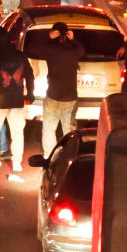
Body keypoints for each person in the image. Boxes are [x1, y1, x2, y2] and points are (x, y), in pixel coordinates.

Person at [0, 30, 34, 176]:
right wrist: (30, 93)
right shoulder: (20, 56)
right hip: (16, 100)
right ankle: (17, 162)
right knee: (18, 132)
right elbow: (30, 76)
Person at [40, 22, 84, 156]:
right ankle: (69, 155)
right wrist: (74, 40)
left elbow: (37, 49)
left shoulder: (50, 50)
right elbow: (81, 51)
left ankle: (49, 156)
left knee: (49, 128)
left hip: (53, 95)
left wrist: (49, 38)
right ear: (67, 34)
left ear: (55, 33)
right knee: (69, 129)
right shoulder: (73, 51)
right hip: (70, 96)